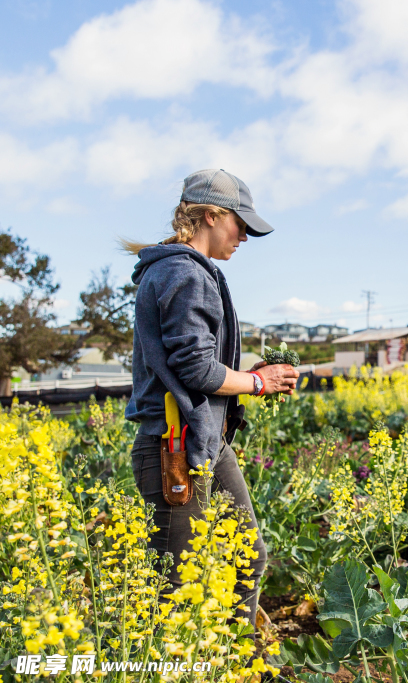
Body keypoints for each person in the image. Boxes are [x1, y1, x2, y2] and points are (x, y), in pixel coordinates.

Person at [123, 169, 299, 627]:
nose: (245, 236)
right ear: (210, 215)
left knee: (248, 558)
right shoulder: (184, 273)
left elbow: (195, 363)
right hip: (173, 448)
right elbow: (196, 369)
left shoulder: (181, 271)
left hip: (203, 444)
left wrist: (250, 375)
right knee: (174, 590)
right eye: (240, 225)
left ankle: (237, 658)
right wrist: (259, 383)